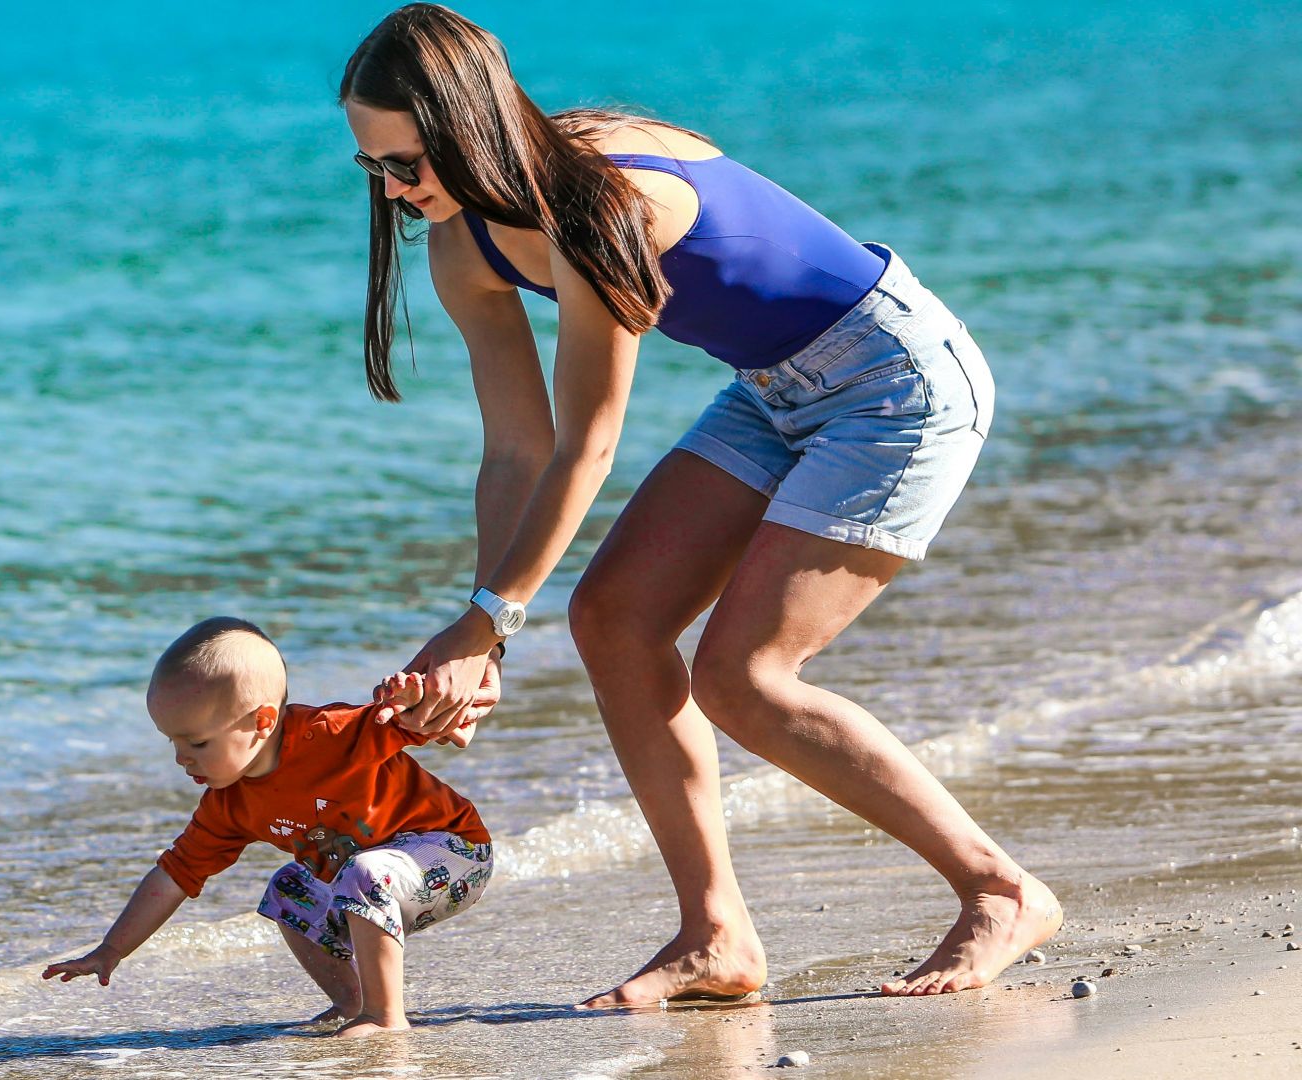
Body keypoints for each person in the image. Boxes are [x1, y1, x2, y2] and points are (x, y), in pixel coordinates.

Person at [339, 4, 1060, 1002]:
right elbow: (517, 448)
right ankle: (717, 937)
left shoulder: (599, 203)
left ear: (473, 126)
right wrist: (486, 640)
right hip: (771, 387)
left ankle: (999, 890)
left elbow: (589, 444)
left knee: (746, 676)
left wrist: (486, 620)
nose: (396, 189)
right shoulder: (464, 246)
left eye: (409, 160)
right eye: (373, 166)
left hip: (896, 381)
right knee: (613, 618)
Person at [41, 617, 494, 1037]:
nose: (181, 756)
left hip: (454, 852)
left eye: (197, 742)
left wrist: (412, 700)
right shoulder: (228, 803)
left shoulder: (333, 735)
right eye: (173, 742)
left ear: (261, 721)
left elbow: (423, 724)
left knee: (365, 873)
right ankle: (351, 1001)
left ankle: (384, 1015)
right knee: (287, 890)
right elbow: (174, 875)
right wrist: (111, 950)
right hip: (371, 878)